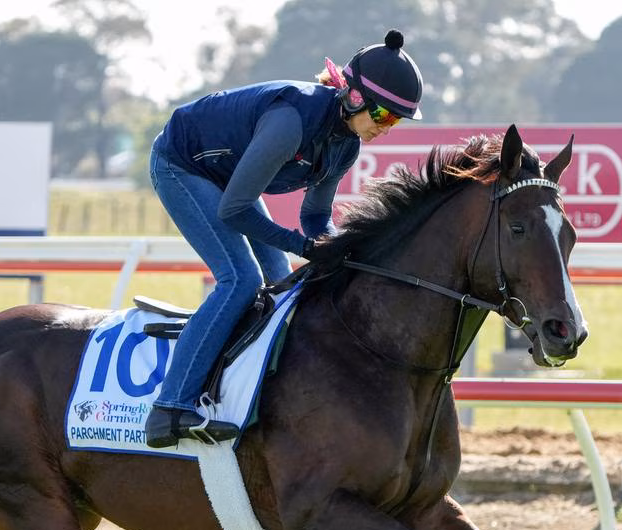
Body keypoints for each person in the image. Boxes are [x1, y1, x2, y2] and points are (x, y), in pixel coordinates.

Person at [143, 29, 426, 448]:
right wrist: (305, 247)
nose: (386, 129)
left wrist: (334, 246)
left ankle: (247, 392)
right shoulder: (289, 122)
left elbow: (314, 216)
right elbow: (234, 211)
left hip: (225, 179)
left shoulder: (346, 145)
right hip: (181, 166)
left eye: (395, 122)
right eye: (383, 116)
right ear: (354, 98)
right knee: (239, 279)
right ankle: (170, 407)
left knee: (279, 284)